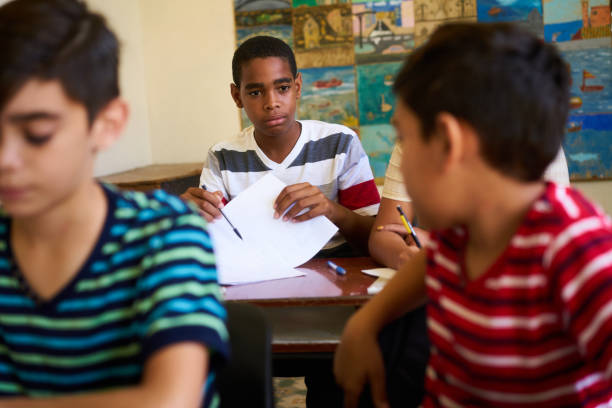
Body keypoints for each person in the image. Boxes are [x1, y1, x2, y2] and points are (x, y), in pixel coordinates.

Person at [334, 22, 612, 407]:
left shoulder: (577, 248)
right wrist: (365, 323)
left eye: (404, 137)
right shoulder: (462, 232)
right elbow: (428, 263)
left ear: (449, 142)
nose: (401, 162)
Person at [0, 1, 228, 406]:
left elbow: (169, 402)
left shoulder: (165, 233)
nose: (5, 159)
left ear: (107, 125)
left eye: (36, 133)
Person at [180, 35, 380, 256]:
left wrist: (333, 211)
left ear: (297, 87)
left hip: (339, 271)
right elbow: (216, 240)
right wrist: (186, 218)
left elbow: (376, 238)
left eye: (283, 88)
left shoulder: (340, 142)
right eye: (255, 92)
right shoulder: (223, 156)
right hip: (258, 275)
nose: (271, 103)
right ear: (237, 97)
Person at [369, 144, 571, 270]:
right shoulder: (414, 142)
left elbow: (542, 241)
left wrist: (438, 242)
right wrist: (405, 257)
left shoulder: (539, 146)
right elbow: (383, 233)